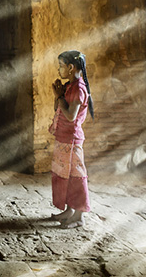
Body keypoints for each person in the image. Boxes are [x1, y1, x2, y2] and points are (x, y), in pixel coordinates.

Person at [48, 50, 94, 228]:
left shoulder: (80, 89)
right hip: (63, 137)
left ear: (70, 67)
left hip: (72, 140)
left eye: (61, 66)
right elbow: (57, 109)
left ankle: (79, 216)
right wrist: (58, 93)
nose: (59, 70)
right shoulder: (69, 86)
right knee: (64, 174)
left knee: (76, 176)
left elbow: (70, 116)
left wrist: (60, 96)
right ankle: (69, 210)